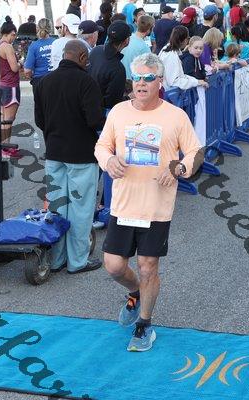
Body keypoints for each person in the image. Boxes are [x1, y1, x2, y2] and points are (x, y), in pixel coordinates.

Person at [94, 52, 202, 352]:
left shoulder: (175, 116)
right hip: (124, 204)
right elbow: (102, 146)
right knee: (114, 266)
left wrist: (179, 167)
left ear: (160, 81)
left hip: (156, 207)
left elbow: (195, 152)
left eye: (148, 78)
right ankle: (136, 292)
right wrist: (108, 160)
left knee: (148, 266)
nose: (141, 84)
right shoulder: (118, 112)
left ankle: (144, 324)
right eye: (137, 78)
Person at [35, 40, 105, 274]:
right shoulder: (87, 82)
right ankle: (77, 261)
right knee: (81, 209)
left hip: (54, 152)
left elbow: (40, 120)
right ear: (83, 57)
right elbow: (95, 120)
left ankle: (56, 259)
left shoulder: (44, 82)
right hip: (82, 154)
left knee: (57, 207)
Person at [89, 21, 132, 109]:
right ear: (126, 40)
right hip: (100, 111)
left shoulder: (96, 50)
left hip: (86, 104)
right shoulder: (118, 68)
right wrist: (129, 97)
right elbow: (112, 103)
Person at [0, 17, 23, 159]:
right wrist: (21, 63)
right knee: (9, 119)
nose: (14, 37)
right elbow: (14, 67)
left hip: (3, 84)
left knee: (4, 118)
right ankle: (5, 148)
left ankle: (5, 146)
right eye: (13, 35)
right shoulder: (7, 46)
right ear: (7, 33)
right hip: (11, 85)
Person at [159, 25, 209, 90]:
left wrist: (196, 81)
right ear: (185, 40)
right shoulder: (171, 56)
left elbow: (180, 76)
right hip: (167, 92)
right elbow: (174, 81)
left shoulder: (168, 50)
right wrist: (196, 82)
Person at [24, 18, 55, 87]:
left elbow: (27, 70)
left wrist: (31, 76)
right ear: (50, 28)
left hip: (39, 81)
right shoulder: (56, 42)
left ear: (37, 28)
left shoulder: (34, 46)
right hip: (55, 80)